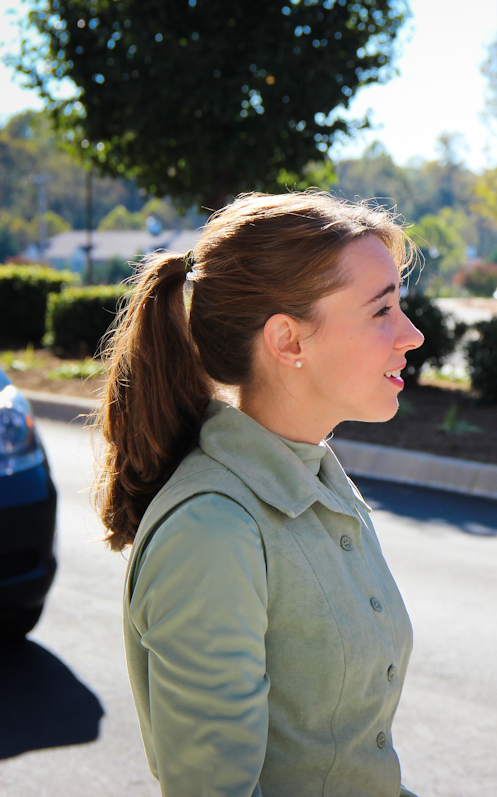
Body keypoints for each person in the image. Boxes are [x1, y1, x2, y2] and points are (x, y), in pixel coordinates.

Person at [94, 191, 425, 796]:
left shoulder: (320, 478)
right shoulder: (213, 531)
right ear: (288, 341)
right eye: (382, 311)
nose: (412, 334)